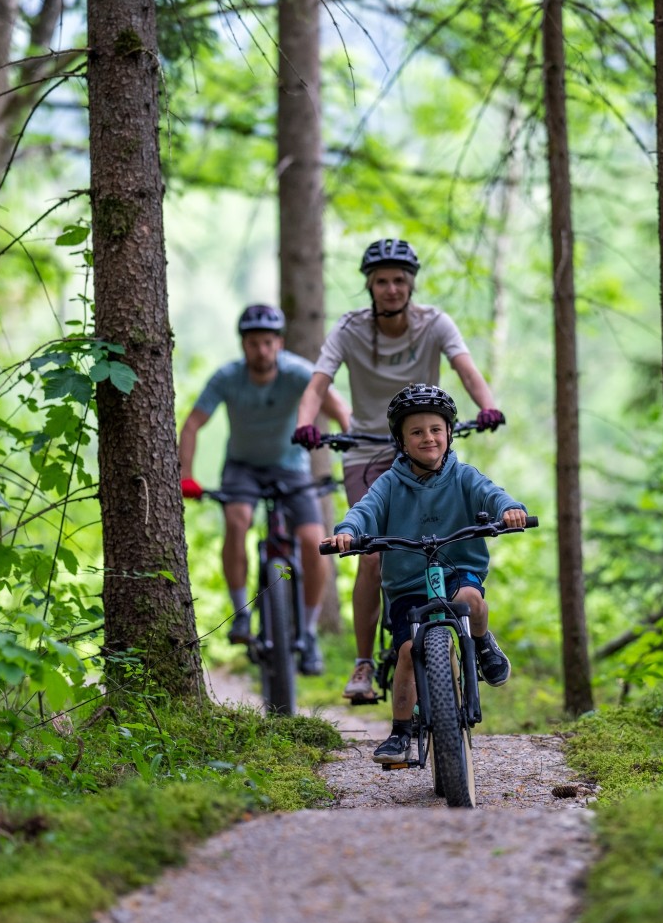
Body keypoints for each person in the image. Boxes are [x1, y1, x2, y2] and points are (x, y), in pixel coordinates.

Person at [292, 237, 506, 702]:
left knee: (443, 538)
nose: (391, 289)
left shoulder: (434, 324)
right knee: (370, 553)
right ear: (370, 286)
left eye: (399, 280)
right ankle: (364, 662)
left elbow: (465, 368)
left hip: (422, 439)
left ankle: (468, 631)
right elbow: (318, 382)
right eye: (382, 281)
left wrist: (487, 406)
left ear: (411, 284)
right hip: (369, 450)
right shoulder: (349, 329)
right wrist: (304, 423)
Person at [325, 383, 526, 763]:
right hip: (407, 585)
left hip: (457, 569)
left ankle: (481, 644)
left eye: (435, 429)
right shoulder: (388, 483)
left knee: (471, 601)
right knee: (405, 651)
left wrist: (509, 509)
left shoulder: (463, 475)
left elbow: (492, 494)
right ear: (401, 441)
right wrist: (348, 532)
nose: (428, 438)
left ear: (449, 433)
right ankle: (400, 733)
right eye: (416, 432)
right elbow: (364, 510)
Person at [179, 303, 351, 674]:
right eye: (254, 343)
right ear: (244, 346)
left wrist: (354, 457)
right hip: (242, 468)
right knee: (238, 520)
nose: (261, 350)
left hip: (291, 468)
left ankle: (307, 633)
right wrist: (186, 475)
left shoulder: (298, 373)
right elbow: (192, 424)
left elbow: (339, 410)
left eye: (268, 343)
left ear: (280, 343)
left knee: (313, 540)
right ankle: (241, 615)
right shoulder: (227, 377)